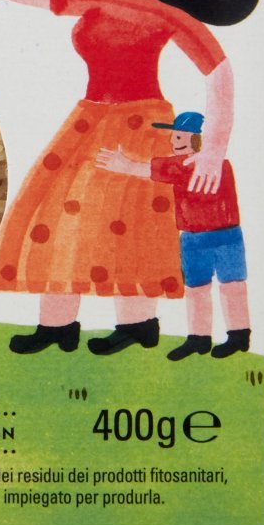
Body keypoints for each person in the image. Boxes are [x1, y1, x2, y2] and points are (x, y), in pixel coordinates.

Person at [0, 0, 260, 356]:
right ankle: (57, 325)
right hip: (90, 119)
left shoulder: (169, 12)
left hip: (142, 123)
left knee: (130, 222)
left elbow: (219, 71)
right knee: (57, 215)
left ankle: (138, 323)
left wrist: (213, 150)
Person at [96, 111, 251, 360]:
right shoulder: (193, 163)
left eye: (179, 137)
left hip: (224, 236)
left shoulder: (201, 164)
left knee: (231, 286)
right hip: (193, 238)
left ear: (197, 139)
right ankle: (200, 338)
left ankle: (237, 336)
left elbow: (149, 168)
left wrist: (123, 164)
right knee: (198, 289)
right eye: (173, 136)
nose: (173, 141)